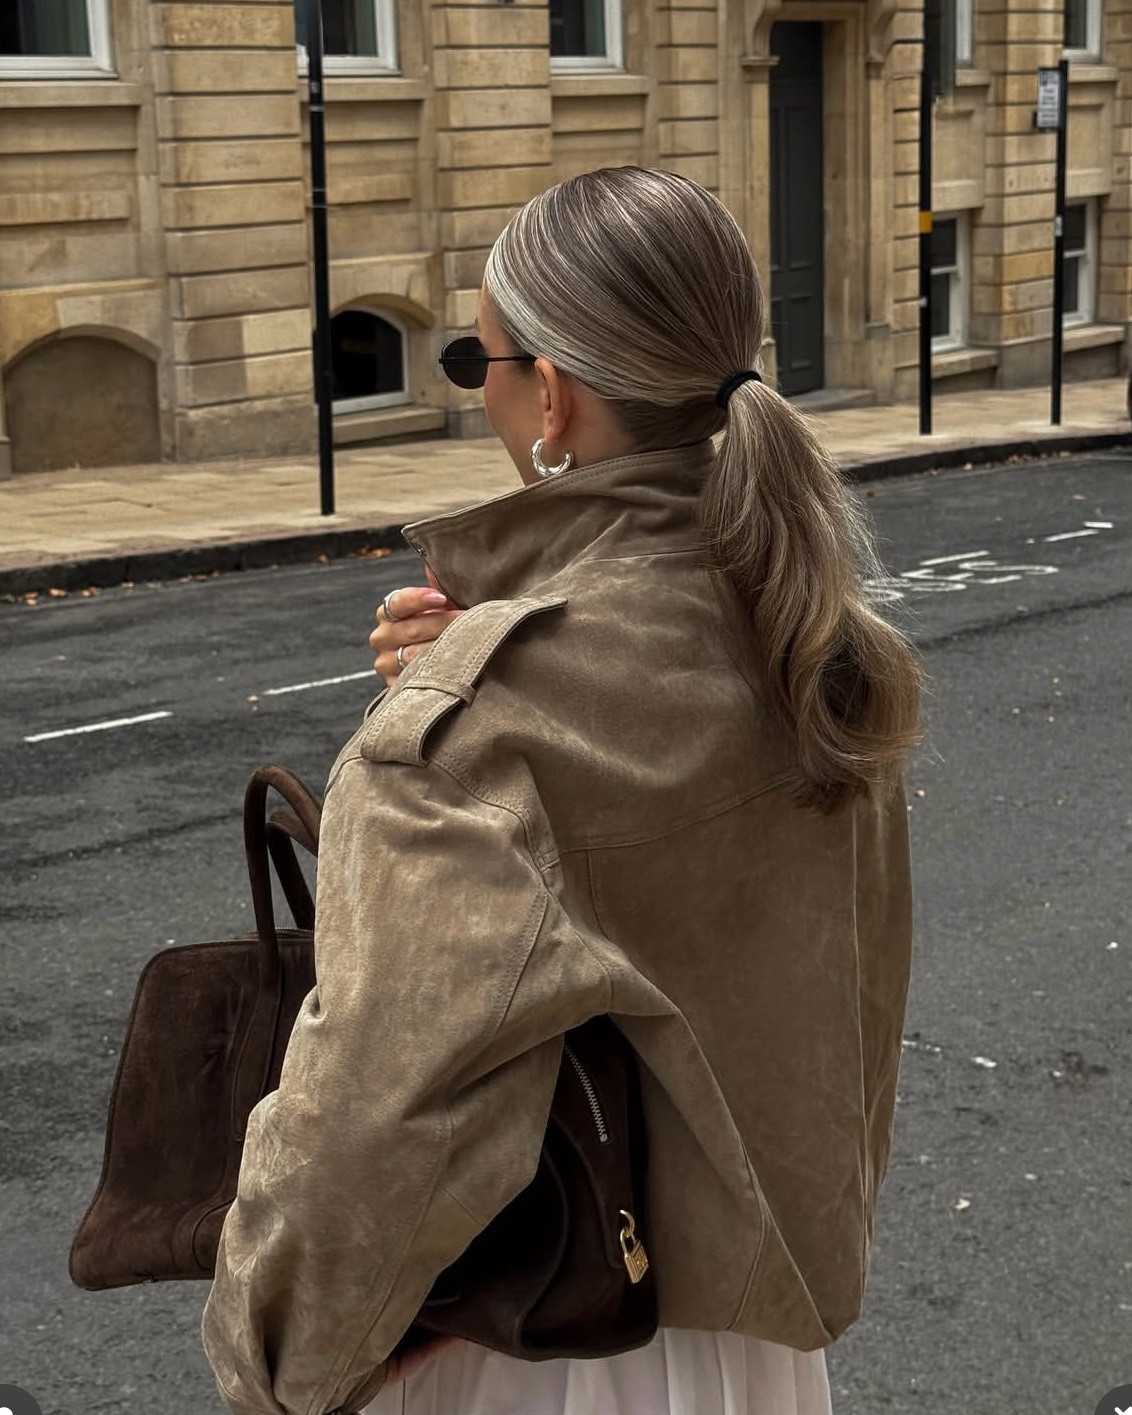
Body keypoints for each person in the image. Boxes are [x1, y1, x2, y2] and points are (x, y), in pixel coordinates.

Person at [201, 166, 921, 1415]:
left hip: (531, 1348)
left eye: (478, 362)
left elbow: (377, 1119)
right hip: (754, 1344)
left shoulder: (479, 730)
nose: (480, 393)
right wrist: (500, 638)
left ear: (554, 395)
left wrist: (273, 1360)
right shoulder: (813, 643)